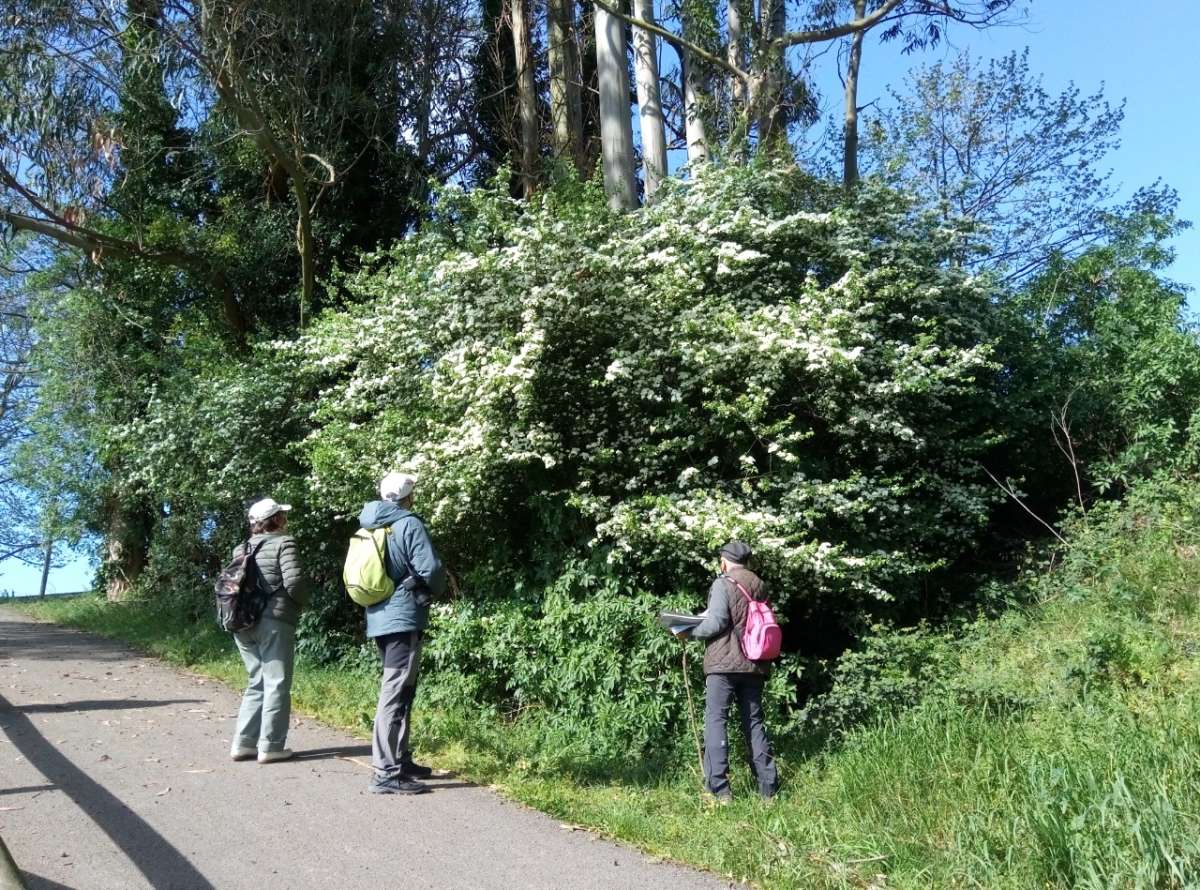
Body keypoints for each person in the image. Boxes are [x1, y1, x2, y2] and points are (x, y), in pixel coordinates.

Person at [359, 471, 446, 795]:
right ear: (408, 496)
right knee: (395, 692)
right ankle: (385, 772)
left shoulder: (370, 524)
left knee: (403, 690)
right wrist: (434, 588)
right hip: (403, 618)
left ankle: (400, 760)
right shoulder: (408, 523)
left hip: (379, 617)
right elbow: (431, 569)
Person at [688, 540, 779, 802]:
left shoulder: (723, 583)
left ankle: (720, 790)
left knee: (717, 719)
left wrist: (690, 631)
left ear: (724, 561)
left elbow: (716, 622)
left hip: (723, 664)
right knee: (754, 721)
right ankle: (768, 789)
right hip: (754, 662)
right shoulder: (759, 584)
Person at [230, 497, 310, 764]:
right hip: (274, 621)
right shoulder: (284, 543)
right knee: (276, 682)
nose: (285, 520)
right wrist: (300, 603)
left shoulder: (240, 549)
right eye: (281, 515)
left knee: (256, 681)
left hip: (241, 622)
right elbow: (295, 581)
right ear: (276, 519)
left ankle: (243, 744)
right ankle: (272, 746)